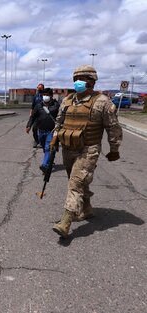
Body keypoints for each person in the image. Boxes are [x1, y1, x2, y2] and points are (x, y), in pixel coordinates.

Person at [50, 65, 123, 238]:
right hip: (68, 148)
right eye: (76, 79)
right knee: (78, 180)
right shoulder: (67, 100)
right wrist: (55, 138)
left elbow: (113, 127)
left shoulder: (102, 102)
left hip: (88, 149)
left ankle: (65, 221)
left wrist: (114, 149)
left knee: (75, 182)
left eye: (82, 78)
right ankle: (87, 208)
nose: (78, 82)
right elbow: (59, 122)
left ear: (92, 81)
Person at [26, 88, 60, 174]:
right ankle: (49, 159)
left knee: (48, 147)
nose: (45, 96)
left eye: (47, 95)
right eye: (44, 95)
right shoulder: (38, 106)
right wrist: (29, 126)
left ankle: (44, 165)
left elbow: (61, 117)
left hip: (51, 131)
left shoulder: (56, 105)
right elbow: (32, 117)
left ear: (51, 96)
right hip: (41, 131)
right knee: (45, 147)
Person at [30, 83, 45, 148]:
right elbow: (32, 106)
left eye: (40, 88)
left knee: (42, 129)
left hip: (43, 115)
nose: (39, 89)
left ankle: (42, 141)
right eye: (38, 88)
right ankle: (36, 141)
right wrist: (31, 113)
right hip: (36, 115)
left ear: (43, 88)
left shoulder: (45, 96)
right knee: (34, 128)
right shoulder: (35, 96)